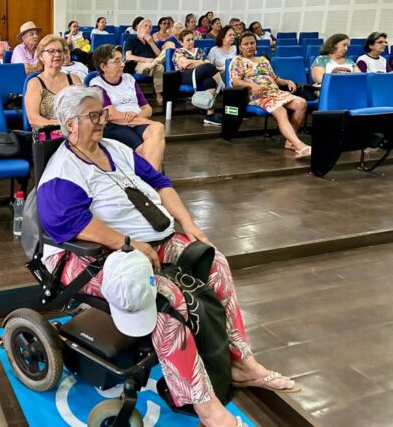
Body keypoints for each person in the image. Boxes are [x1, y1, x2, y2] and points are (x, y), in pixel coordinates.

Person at [37, 85, 300, 427]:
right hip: (82, 259)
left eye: (102, 112)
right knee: (165, 297)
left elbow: (161, 183)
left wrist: (191, 226)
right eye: (93, 115)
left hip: (146, 241)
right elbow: (66, 223)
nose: (102, 119)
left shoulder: (116, 149)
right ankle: (204, 405)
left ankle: (240, 363)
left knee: (213, 261)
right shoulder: (63, 172)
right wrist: (126, 242)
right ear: (70, 124)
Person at [230, 32, 310, 158]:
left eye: (252, 43)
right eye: (246, 44)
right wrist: (252, 86)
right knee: (280, 111)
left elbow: (275, 78)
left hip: (274, 92)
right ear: (239, 47)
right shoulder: (238, 61)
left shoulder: (263, 60)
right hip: (257, 95)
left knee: (301, 103)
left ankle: (290, 142)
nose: (250, 46)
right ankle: (300, 146)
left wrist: (287, 81)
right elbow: (235, 81)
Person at [90, 44, 165, 169]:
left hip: (136, 120)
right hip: (114, 125)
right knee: (147, 150)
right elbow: (111, 115)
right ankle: (157, 182)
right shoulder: (97, 84)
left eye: (122, 60)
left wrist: (136, 116)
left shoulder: (129, 79)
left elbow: (147, 109)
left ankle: (153, 183)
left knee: (157, 131)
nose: (122, 64)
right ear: (103, 66)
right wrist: (140, 119)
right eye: (117, 61)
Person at [24, 34, 82, 129]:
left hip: (76, 132)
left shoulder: (74, 79)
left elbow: (86, 108)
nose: (57, 54)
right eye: (51, 51)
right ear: (41, 56)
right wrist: (63, 125)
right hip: (48, 135)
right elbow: (33, 118)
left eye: (60, 51)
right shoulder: (35, 83)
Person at [172, 29, 224, 126]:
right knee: (207, 67)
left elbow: (208, 63)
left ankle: (210, 115)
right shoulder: (178, 51)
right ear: (181, 42)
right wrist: (201, 63)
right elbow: (185, 64)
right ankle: (222, 85)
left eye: (192, 39)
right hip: (185, 76)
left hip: (200, 75)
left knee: (210, 81)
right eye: (188, 40)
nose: (191, 42)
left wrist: (196, 63)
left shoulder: (199, 50)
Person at [124, 19, 164, 105]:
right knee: (159, 65)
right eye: (146, 26)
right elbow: (128, 56)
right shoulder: (131, 39)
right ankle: (158, 95)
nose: (148, 28)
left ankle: (158, 93)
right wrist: (146, 60)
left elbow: (159, 55)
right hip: (139, 64)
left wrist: (151, 43)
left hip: (152, 64)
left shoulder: (150, 41)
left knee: (162, 61)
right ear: (139, 28)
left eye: (150, 27)